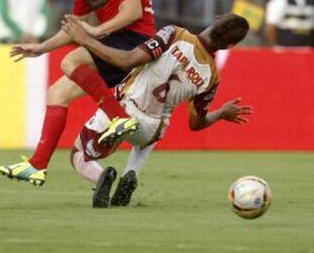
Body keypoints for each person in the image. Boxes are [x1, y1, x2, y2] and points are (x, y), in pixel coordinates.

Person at [0, 0, 156, 186]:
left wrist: (95, 32)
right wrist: (41, 47)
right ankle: (37, 166)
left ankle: (118, 117)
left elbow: (133, 12)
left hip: (137, 41)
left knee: (70, 60)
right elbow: (75, 28)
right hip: (110, 43)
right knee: (56, 93)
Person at [61, 13, 252, 208]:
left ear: (215, 20)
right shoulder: (211, 76)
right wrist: (221, 113)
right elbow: (196, 124)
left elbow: (128, 60)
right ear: (230, 46)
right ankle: (132, 172)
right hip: (150, 130)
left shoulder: (174, 34)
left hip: (123, 111)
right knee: (152, 133)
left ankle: (101, 175)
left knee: (78, 154)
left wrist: (85, 40)